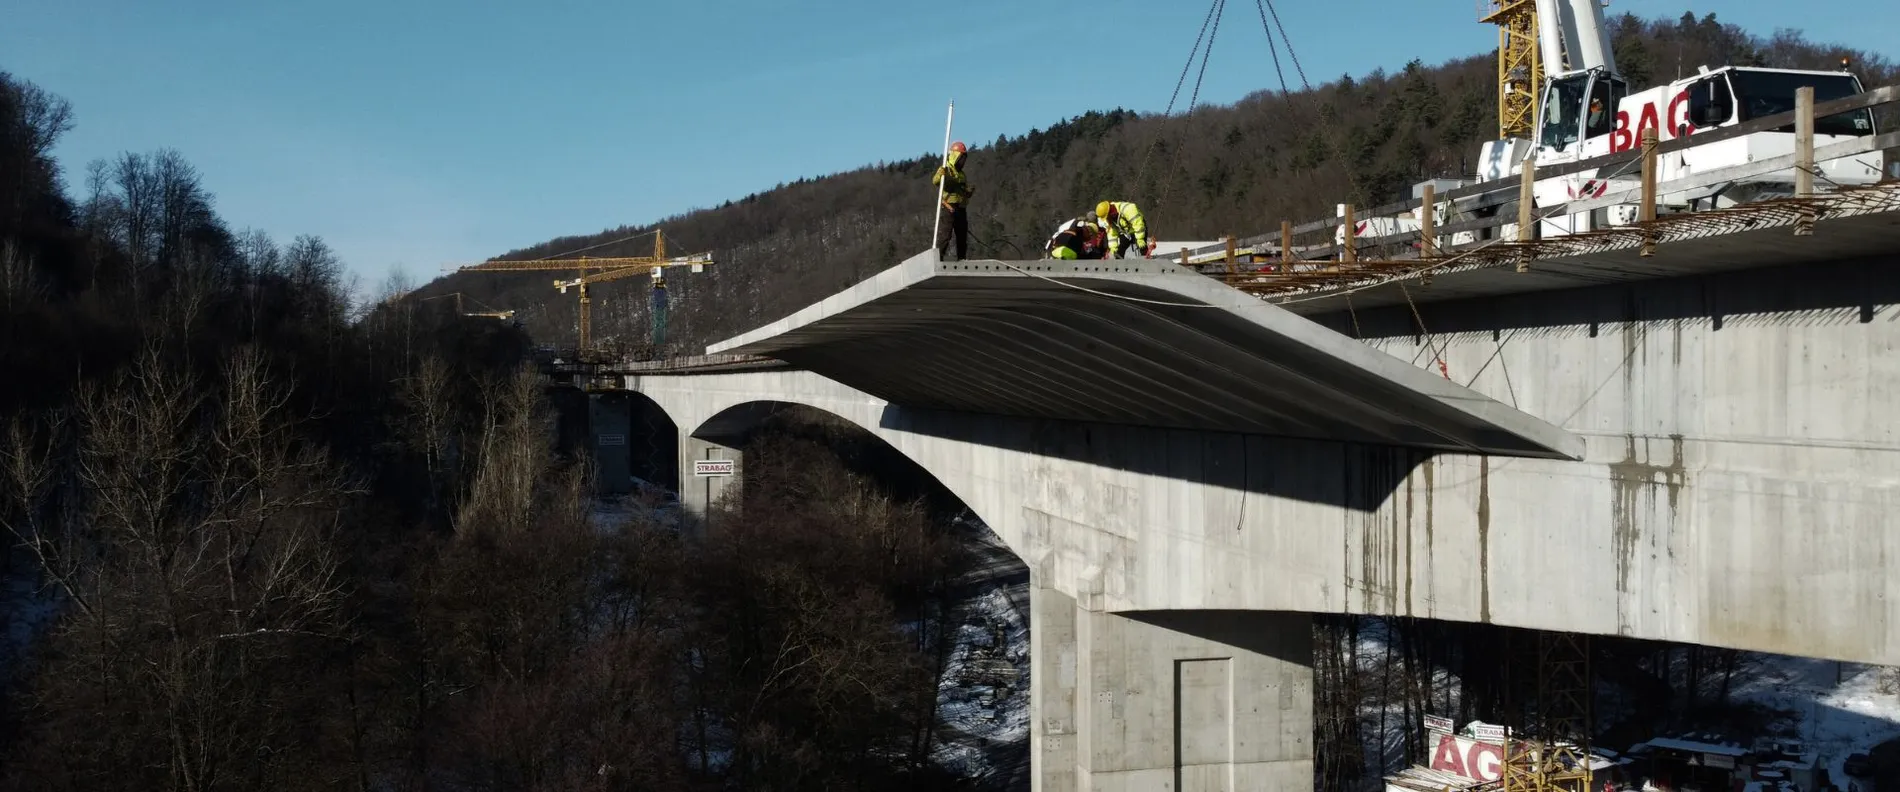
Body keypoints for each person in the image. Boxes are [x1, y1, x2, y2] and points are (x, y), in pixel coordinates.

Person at [932, 141, 973, 261]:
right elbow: (935, 181)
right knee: (946, 235)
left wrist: (968, 192)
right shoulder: (946, 170)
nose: (963, 162)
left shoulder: (962, 175)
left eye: (964, 159)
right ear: (956, 156)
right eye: (961, 158)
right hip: (948, 206)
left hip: (961, 207)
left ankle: (962, 259)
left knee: (962, 235)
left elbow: (963, 190)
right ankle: (939, 258)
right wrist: (941, 174)